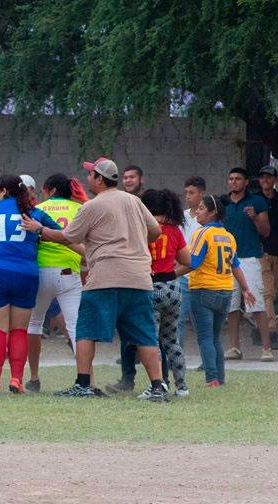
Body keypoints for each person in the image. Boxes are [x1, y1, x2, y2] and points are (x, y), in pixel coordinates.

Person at [23, 157, 168, 401]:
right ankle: (157, 386)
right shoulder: (134, 200)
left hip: (105, 277)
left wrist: (39, 229)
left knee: (85, 330)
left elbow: (67, 237)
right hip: (139, 277)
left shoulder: (92, 206)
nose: (88, 178)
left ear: (100, 179)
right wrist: (134, 243)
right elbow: (155, 230)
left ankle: (83, 385)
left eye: (91, 174)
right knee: (145, 333)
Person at [0, 174, 63, 394]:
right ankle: (16, 379)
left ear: (2, 191)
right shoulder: (34, 212)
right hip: (26, 273)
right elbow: (62, 234)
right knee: (19, 330)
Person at [175, 195, 256, 385]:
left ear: (212, 213)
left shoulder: (202, 233)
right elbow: (235, 265)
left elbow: (193, 263)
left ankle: (211, 378)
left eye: (201, 208)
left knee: (205, 337)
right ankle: (220, 378)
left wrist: (171, 274)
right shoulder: (228, 236)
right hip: (225, 291)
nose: (197, 212)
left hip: (203, 290)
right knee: (215, 338)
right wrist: (245, 288)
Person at [25, 174, 84, 392]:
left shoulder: (38, 209)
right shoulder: (80, 209)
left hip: (40, 270)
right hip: (69, 271)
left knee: (34, 324)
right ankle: (86, 379)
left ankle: (34, 377)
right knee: (76, 327)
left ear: (50, 190)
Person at [140, 188, 190, 396]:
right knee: (171, 340)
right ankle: (182, 387)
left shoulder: (144, 229)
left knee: (151, 341)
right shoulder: (175, 229)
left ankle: (158, 384)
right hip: (173, 288)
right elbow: (187, 261)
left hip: (151, 288)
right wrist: (170, 273)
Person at [222, 167, 272, 361]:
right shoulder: (224, 203)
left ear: (245, 183)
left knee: (256, 303)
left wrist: (255, 217)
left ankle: (266, 349)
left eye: (238, 179)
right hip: (228, 259)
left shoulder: (256, 201)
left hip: (249, 258)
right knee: (231, 306)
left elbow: (265, 231)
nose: (233, 182)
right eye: (231, 179)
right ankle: (234, 347)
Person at [178, 176, 207, 350]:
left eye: (192, 192)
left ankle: (207, 358)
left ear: (201, 193)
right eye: (186, 193)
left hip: (202, 275)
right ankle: (177, 356)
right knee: (179, 318)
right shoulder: (181, 216)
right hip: (183, 274)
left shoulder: (207, 218)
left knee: (201, 321)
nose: (188, 196)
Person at [255, 166, 278, 338]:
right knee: (268, 290)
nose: (265, 180)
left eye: (269, 177)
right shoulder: (254, 200)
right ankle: (270, 328)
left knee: (274, 289)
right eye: (262, 177)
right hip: (262, 251)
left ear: (275, 180)